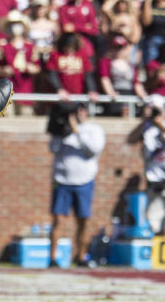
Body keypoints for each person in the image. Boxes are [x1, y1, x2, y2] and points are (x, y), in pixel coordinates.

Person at [49, 102, 104, 268]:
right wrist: (62, 129)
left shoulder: (94, 130)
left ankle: (81, 256)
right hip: (62, 181)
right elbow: (53, 148)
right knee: (58, 219)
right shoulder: (62, 130)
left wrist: (76, 130)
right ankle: (52, 258)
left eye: (80, 110)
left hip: (84, 181)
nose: (77, 114)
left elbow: (93, 150)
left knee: (83, 220)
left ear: (86, 112)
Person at [127, 95, 165, 235]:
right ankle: (157, 246)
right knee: (154, 217)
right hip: (154, 176)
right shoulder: (146, 125)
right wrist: (145, 121)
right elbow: (130, 139)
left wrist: (161, 124)